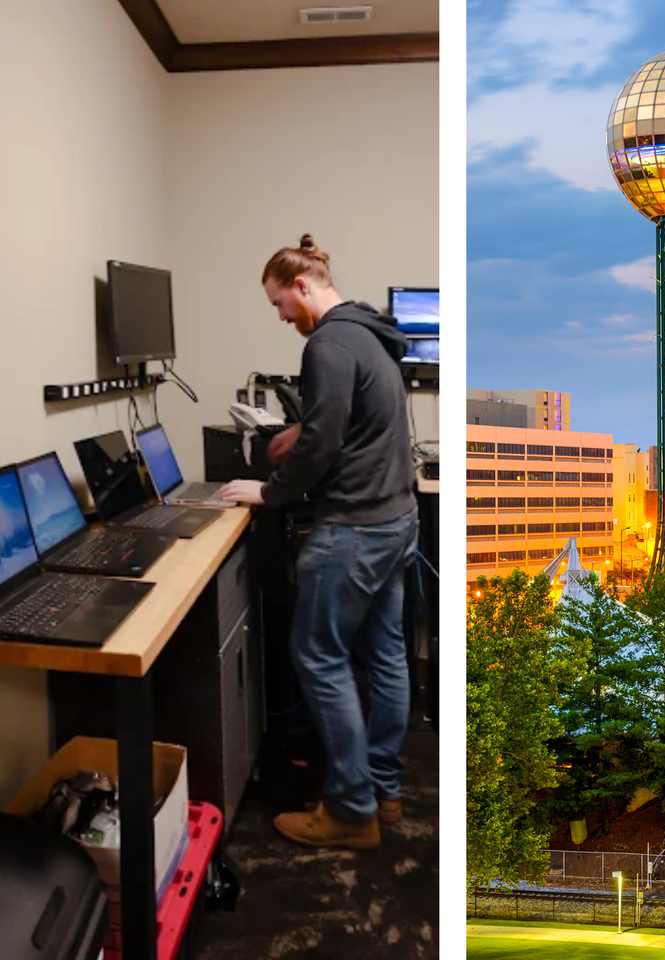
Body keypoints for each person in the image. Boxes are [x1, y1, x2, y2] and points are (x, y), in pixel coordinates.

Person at [216, 235, 417, 848]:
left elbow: (325, 443)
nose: (281, 317)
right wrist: (303, 431)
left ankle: (350, 812)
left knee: (319, 658)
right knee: (385, 656)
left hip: (354, 528)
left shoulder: (328, 342)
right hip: (395, 518)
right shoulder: (368, 334)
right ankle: (381, 791)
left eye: (280, 303)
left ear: (302, 286)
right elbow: (350, 418)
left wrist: (270, 491)